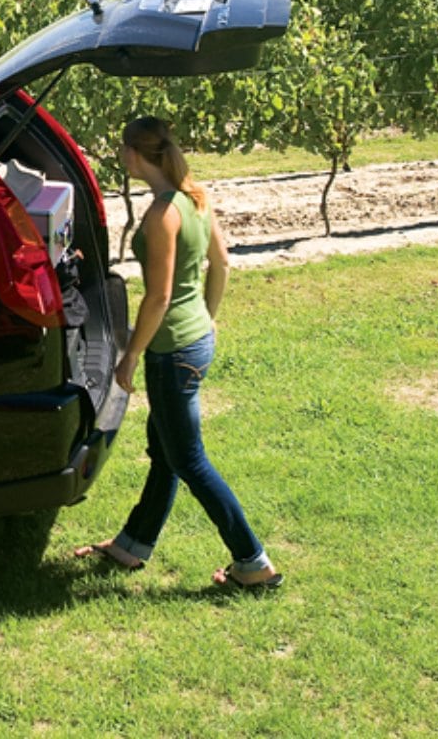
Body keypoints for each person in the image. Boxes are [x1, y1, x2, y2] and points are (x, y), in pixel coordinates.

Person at [74, 117, 284, 591]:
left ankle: (253, 562)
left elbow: (159, 297)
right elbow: (222, 263)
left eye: (123, 150)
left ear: (134, 154)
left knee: (187, 459)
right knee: (166, 451)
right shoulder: (196, 198)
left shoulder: (163, 214)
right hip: (196, 341)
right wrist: (207, 319)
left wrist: (131, 356)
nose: (121, 158)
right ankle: (132, 545)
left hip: (172, 353)